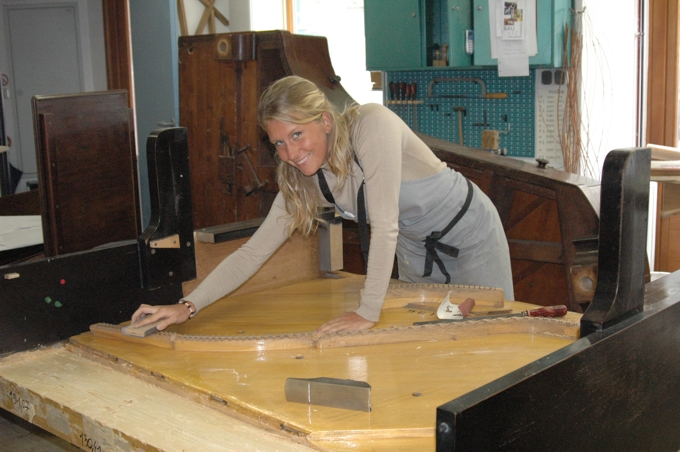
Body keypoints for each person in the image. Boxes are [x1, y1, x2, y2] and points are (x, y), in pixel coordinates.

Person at [131, 75, 514, 333]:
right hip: (416, 247)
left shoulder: (372, 125)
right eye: (279, 143)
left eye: (298, 134)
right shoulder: (303, 177)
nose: (291, 152)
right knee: (427, 336)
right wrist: (187, 306)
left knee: (496, 333)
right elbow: (252, 254)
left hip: (468, 232)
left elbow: (384, 227)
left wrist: (366, 311)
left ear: (326, 122)